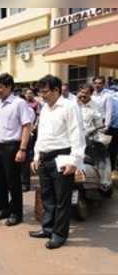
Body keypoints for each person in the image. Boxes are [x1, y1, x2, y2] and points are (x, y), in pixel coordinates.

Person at [30, 75, 85, 250]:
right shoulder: (45, 109)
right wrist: (36, 155)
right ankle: (47, 228)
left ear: (56, 90)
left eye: (45, 92)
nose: (42, 96)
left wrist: (75, 161)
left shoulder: (69, 107)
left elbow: (77, 134)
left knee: (62, 199)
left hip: (62, 157)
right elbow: (42, 134)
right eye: (40, 92)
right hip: (45, 157)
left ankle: (59, 235)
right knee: (47, 197)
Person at [0, 73, 33, 226]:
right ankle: (3, 209)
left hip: (12, 147)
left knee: (13, 181)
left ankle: (16, 213)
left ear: (9, 87)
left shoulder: (19, 103)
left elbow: (27, 126)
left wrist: (22, 149)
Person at [77, 83, 111, 188]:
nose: (82, 95)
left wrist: (90, 130)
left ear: (91, 94)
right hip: (73, 140)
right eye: (81, 92)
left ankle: (104, 183)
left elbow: (100, 124)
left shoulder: (96, 107)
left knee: (101, 160)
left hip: (90, 139)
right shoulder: (73, 105)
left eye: (86, 93)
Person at [22, 88, 41, 192]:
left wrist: (33, 129)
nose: (28, 95)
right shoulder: (23, 107)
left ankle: (25, 183)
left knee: (25, 161)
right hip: (17, 137)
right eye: (26, 93)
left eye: (30, 93)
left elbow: (33, 122)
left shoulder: (31, 109)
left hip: (28, 135)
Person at [105, 92, 118, 171]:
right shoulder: (109, 94)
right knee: (112, 150)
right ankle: (112, 169)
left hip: (113, 125)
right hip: (113, 127)